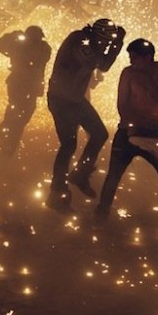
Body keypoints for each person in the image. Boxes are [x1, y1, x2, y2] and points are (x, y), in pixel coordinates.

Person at [95, 39, 158, 228]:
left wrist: (148, 81)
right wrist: (131, 128)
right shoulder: (128, 73)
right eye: (129, 57)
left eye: (134, 57)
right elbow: (122, 104)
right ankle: (100, 216)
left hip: (152, 132)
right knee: (113, 175)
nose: (130, 61)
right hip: (127, 132)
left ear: (147, 57)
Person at [46, 18, 126, 212]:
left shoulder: (88, 41)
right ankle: (57, 194)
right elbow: (102, 65)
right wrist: (117, 45)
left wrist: (114, 44)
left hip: (74, 99)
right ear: (98, 36)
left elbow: (100, 63)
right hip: (61, 100)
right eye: (105, 41)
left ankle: (80, 174)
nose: (106, 45)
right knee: (68, 145)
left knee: (100, 134)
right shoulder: (80, 41)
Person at [0, 26, 52, 156]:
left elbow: (0, 46)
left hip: (28, 86)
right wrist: (12, 36)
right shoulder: (20, 46)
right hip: (19, 84)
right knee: (15, 110)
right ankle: (8, 139)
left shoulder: (41, 48)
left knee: (23, 114)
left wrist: (13, 38)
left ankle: (6, 134)